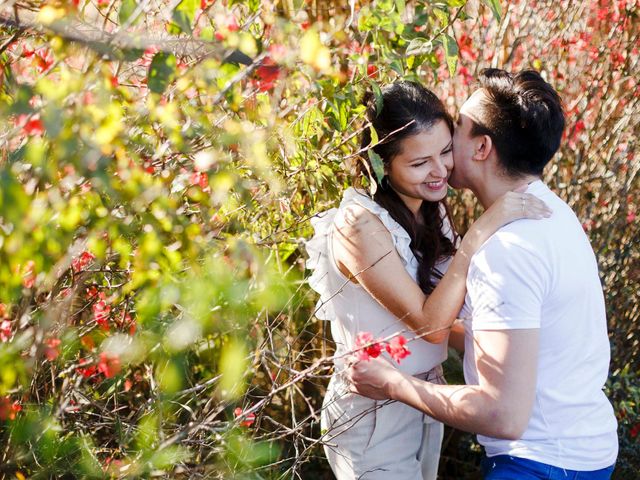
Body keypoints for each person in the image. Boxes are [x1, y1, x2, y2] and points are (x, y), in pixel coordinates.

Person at [348, 69, 619, 479]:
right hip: (581, 452)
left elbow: (503, 415)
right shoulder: (554, 212)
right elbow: (518, 336)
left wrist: (391, 383)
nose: (445, 139)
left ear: (482, 147)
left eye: (457, 125)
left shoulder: (507, 249)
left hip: (540, 463)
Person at [305, 81, 551, 480]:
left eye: (444, 152)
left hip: (423, 395)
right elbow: (431, 324)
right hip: (371, 409)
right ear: (379, 164)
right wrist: (479, 232)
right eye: (420, 163)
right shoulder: (358, 225)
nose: (440, 172)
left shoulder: (427, 212)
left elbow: (451, 320)